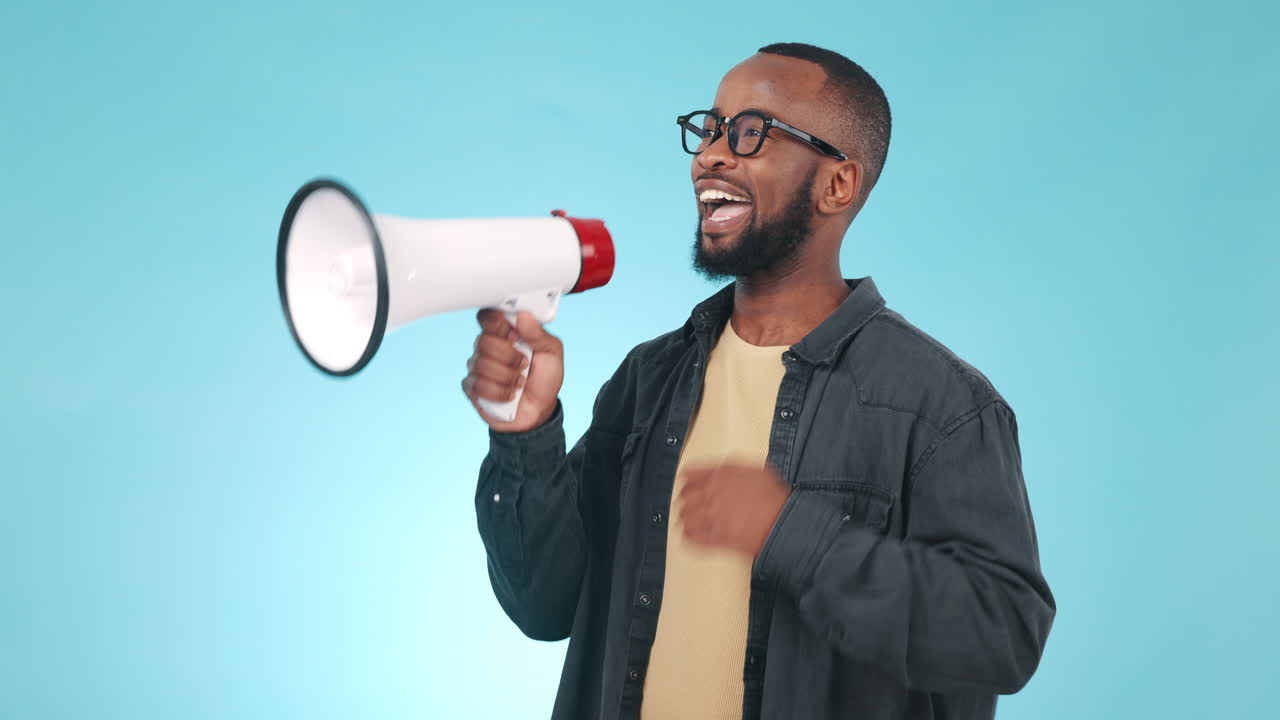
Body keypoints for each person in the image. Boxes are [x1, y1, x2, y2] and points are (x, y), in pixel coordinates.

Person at [462, 42, 1055, 720]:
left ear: (837, 185)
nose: (709, 156)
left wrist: (792, 533)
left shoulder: (940, 406)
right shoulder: (647, 381)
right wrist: (526, 435)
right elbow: (545, 603)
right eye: (710, 129)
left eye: (749, 134)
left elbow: (1003, 636)